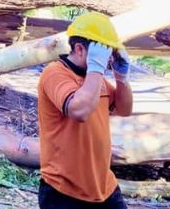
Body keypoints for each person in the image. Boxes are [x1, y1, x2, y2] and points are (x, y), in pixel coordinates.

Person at [37, 12, 134, 209]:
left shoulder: (97, 79)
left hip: (104, 188)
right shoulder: (55, 73)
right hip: (64, 192)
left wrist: (122, 78)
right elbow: (79, 111)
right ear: (80, 49)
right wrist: (96, 68)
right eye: (104, 51)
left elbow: (124, 109)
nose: (108, 59)